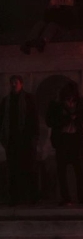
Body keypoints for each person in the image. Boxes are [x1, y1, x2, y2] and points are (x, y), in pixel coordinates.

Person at [45, 82, 83, 206]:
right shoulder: (56, 104)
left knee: (80, 171)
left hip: (76, 139)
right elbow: (49, 121)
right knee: (62, 171)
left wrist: (77, 117)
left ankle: (82, 197)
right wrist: (67, 119)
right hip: (62, 139)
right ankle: (66, 198)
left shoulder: (80, 102)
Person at [0, 75, 40, 206]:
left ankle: (33, 197)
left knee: (30, 168)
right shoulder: (6, 101)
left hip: (26, 140)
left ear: (21, 84)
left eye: (15, 82)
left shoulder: (28, 99)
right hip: (12, 140)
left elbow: (34, 119)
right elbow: (2, 120)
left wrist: (34, 137)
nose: (13, 85)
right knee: (13, 170)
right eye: (11, 82)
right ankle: (15, 197)